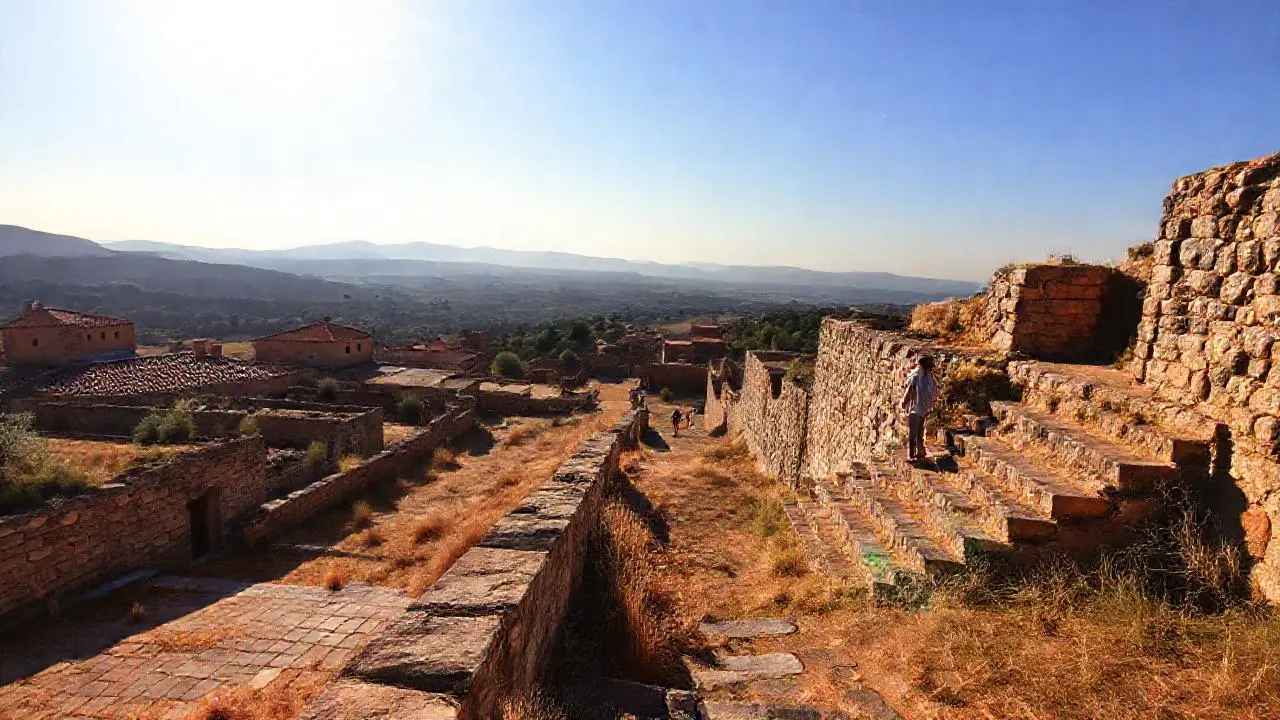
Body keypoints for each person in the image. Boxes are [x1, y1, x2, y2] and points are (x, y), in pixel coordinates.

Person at [900, 354, 939, 462]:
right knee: (917, 432)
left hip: (917, 409)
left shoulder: (917, 378)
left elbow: (909, 392)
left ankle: (914, 454)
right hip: (921, 409)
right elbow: (934, 394)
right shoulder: (929, 380)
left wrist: (904, 403)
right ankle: (917, 453)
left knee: (915, 432)